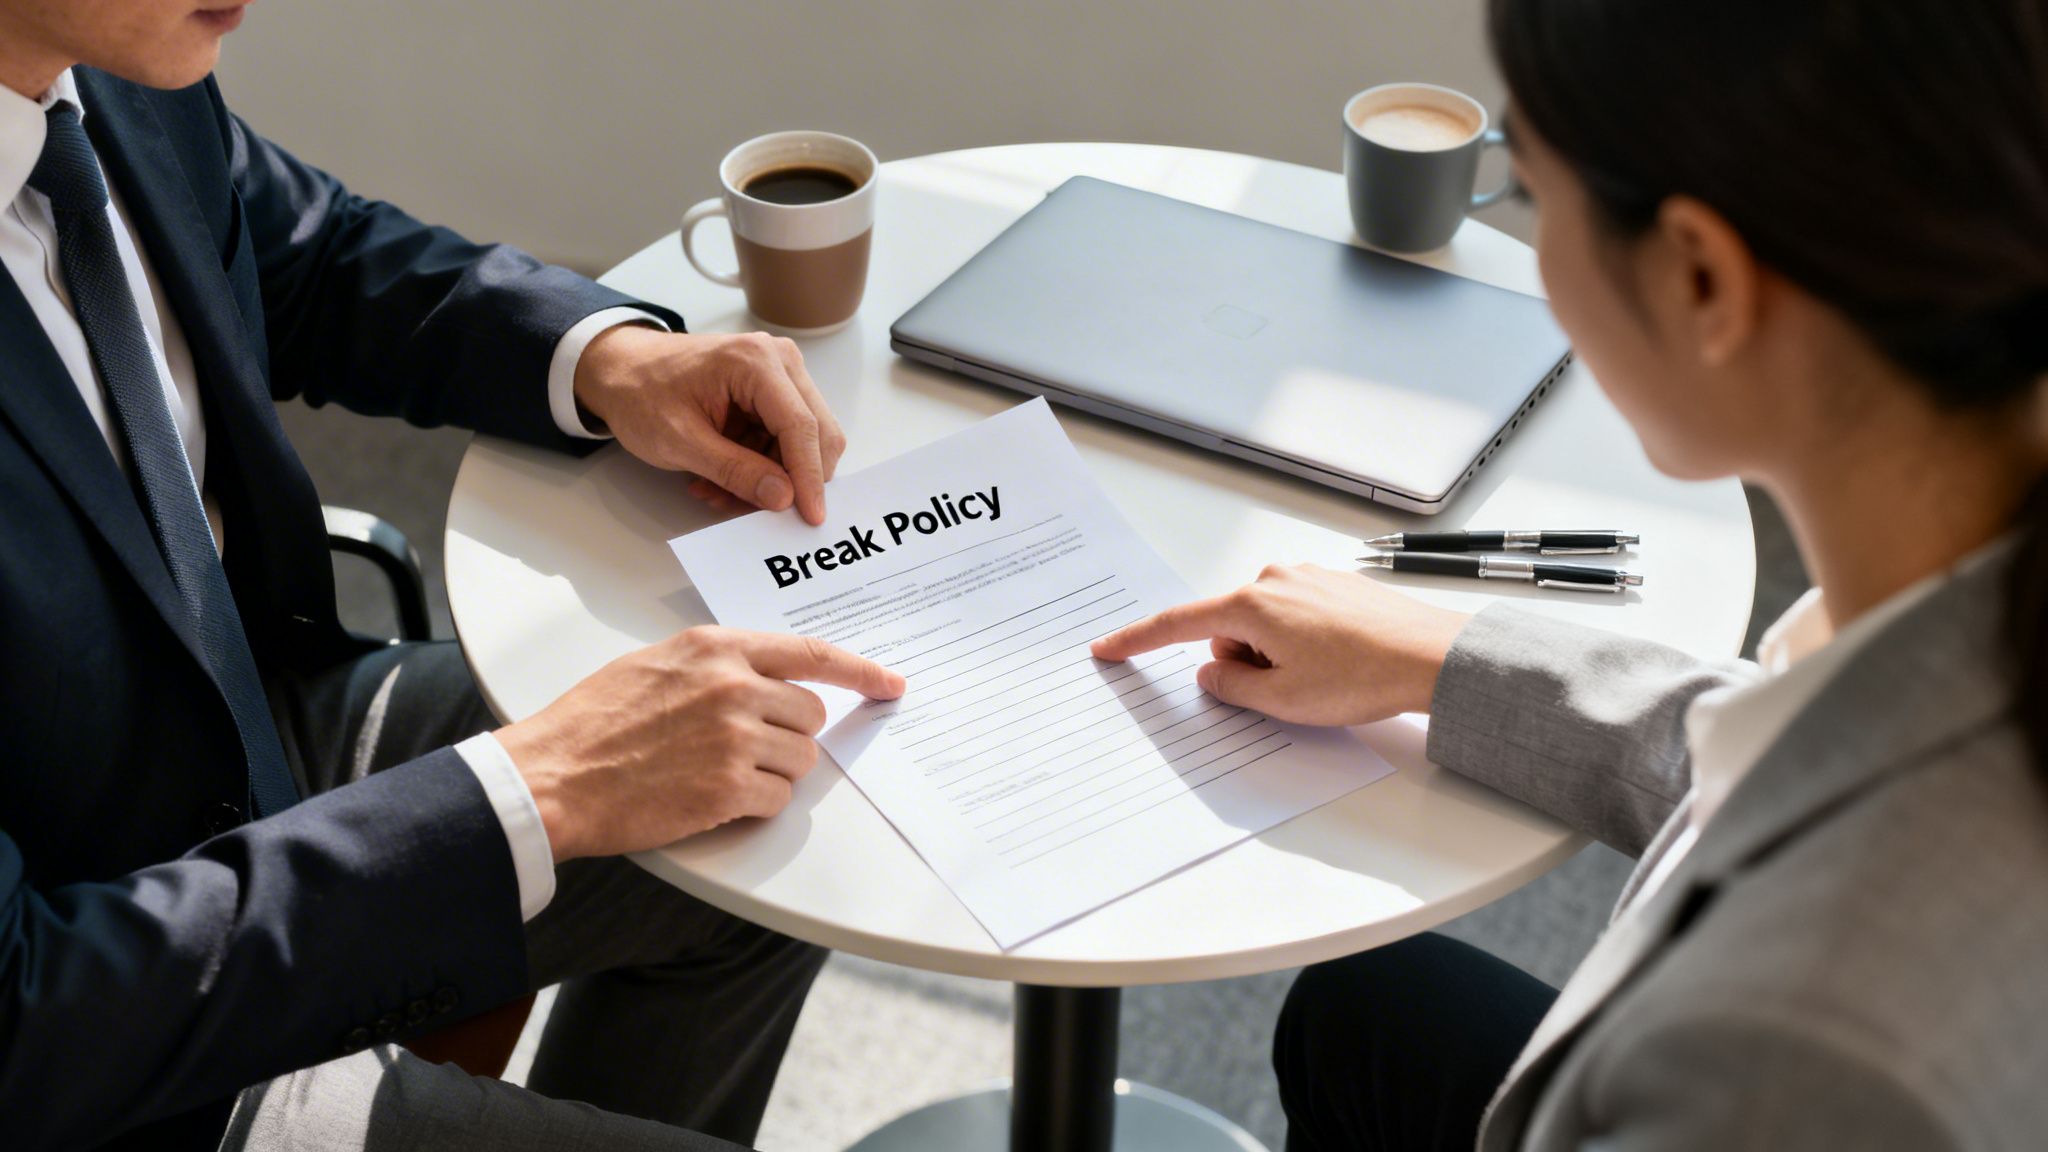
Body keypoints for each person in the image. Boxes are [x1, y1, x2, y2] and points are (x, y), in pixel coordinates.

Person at [1092, 0, 2048, 1147]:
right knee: (1371, 1011)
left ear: (1699, 280)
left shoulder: (1787, 1055)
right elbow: (1796, 755)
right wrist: (1437, 659)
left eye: (1533, 194)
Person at [0, 2, 907, 1150]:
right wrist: (533, 790)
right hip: (97, 1032)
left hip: (242, 730)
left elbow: (305, 255)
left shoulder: (104, 66)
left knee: (780, 784)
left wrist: (610, 358)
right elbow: (22, 1027)